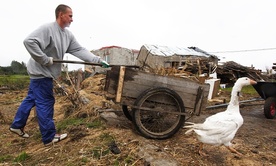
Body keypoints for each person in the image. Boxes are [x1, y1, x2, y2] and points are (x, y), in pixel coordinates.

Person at [9, 4, 109, 145]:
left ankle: (17, 125)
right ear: (61, 15)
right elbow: (29, 41)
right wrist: (44, 59)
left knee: (31, 98)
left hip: (40, 73)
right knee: (46, 102)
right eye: (70, 15)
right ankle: (49, 137)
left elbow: (79, 50)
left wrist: (97, 60)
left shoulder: (67, 35)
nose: (72, 19)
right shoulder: (48, 29)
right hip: (41, 72)